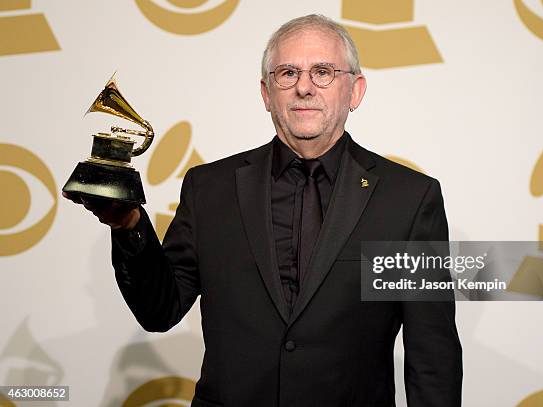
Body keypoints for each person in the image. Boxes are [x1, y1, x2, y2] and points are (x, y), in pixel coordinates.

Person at [65, 14, 462, 407]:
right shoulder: (209, 189)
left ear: (355, 91)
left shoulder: (408, 199)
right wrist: (128, 223)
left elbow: (433, 355)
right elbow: (160, 310)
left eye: (323, 72)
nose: (304, 87)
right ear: (266, 93)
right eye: (287, 73)